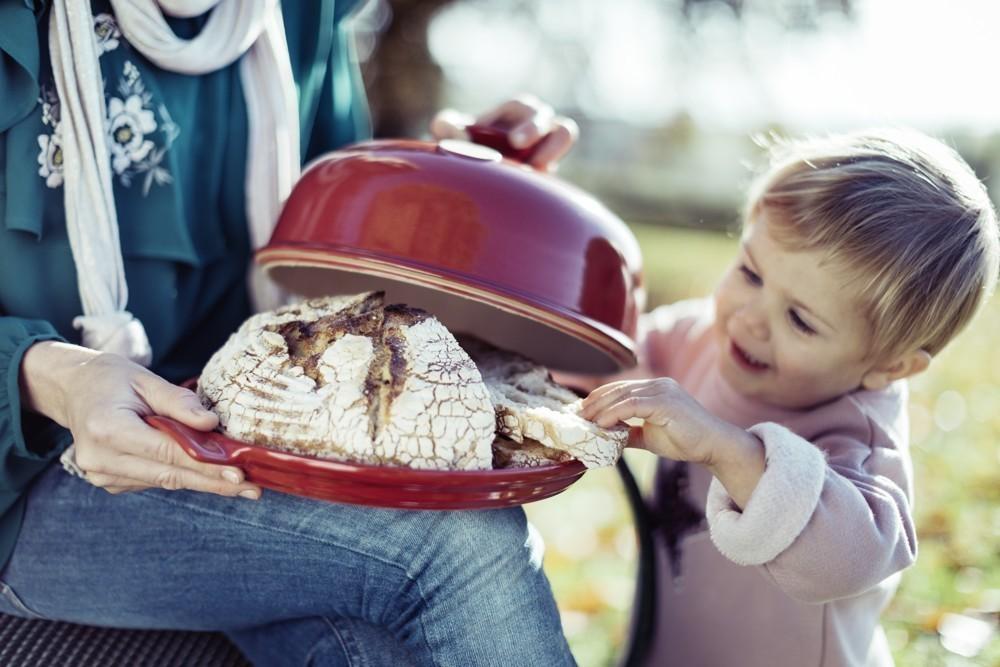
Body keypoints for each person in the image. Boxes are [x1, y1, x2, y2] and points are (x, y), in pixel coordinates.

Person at [0, 1, 580, 665]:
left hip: (258, 438)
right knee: (456, 542)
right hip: (33, 465)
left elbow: (329, 270)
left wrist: (456, 184)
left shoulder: (294, 14)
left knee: (382, 648)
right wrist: (58, 378)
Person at [578, 129, 999, 666]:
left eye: (800, 319)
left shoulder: (857, 435)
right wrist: (613, 376)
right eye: (751, 272)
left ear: (888, 365)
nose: (751, 318)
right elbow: (617, 355)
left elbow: (848, 559)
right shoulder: (707, 336)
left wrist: (725, 450)